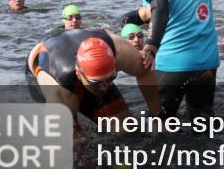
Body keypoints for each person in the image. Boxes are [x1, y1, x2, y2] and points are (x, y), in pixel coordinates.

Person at [25, 29, 160, 128]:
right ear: (79, 74)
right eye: (97, 83)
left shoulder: (121, 52)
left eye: (111, 78)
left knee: (127, 129)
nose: (104, 87)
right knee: (75, 143)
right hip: (46, 72)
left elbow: (145, 72)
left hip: (82, 64)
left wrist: (158, 118)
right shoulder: (58, 89)